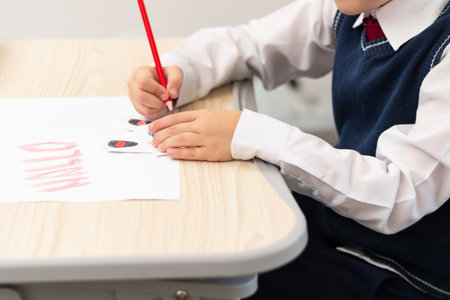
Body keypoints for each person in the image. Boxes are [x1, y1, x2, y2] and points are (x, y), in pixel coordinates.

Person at [127, 0, 450, 298]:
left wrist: (256, 135)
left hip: (408, 271)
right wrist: (181, 70)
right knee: (201, 229)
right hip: (344, 221)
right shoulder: (352, 6)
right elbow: (250, 43)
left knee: (210, 276)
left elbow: (399, 196)